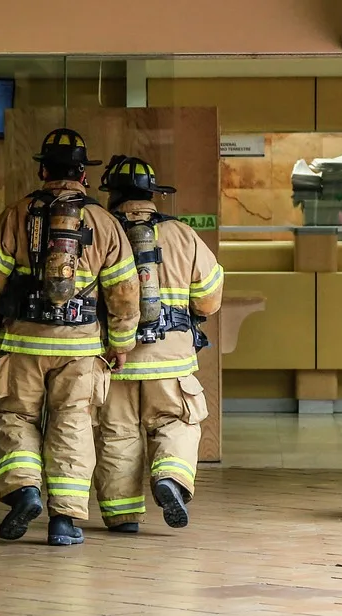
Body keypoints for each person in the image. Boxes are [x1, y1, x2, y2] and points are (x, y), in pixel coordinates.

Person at [0, 128, 140, 546]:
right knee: (73, 423)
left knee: (16, 416)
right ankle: (65, 521)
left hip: (23, 342)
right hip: (80, 348)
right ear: (83, 174)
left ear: (42, 169)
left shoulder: (16, 215)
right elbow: (125, 292)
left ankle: (25, 490)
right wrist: (122, 344)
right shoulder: (104, 222)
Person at [92, 155, 224, 534]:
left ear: (112, 195)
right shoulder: (184, 235)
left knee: (117, 434)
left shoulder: (102, 231)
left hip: (112, 357)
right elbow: (209, 300)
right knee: (177, 422)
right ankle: (170, 479)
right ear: (153, 193)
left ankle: (122, 517)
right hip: (171, 359)